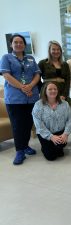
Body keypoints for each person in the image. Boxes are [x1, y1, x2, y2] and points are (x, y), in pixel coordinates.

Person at [0, 34, 41, 165]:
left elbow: (37, 74)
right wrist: (23, 87)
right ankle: (19, 151)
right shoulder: (6, 58)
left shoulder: (30, 58)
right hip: (14, 99)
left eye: (21, 42)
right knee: (18, 125)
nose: (18, 44)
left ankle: (25, 146)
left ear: (24, 44)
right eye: (15, 42)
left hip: (31, 97)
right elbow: (6, 75)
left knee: (28, 123)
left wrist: (30, 86)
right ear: (11, 44)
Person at [32, 82, 71, 161]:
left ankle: (56, 147)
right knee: (51, 157)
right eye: (50, 89)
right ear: (45, 91)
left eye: (55, 89)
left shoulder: (65, 104)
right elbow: (39, 125)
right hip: (45, 133)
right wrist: (51, 136)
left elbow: (70, 120)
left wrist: (65, 134)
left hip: (60, 132)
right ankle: (45, 147)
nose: (53, 91)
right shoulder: (38, 105)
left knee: (60, 149)